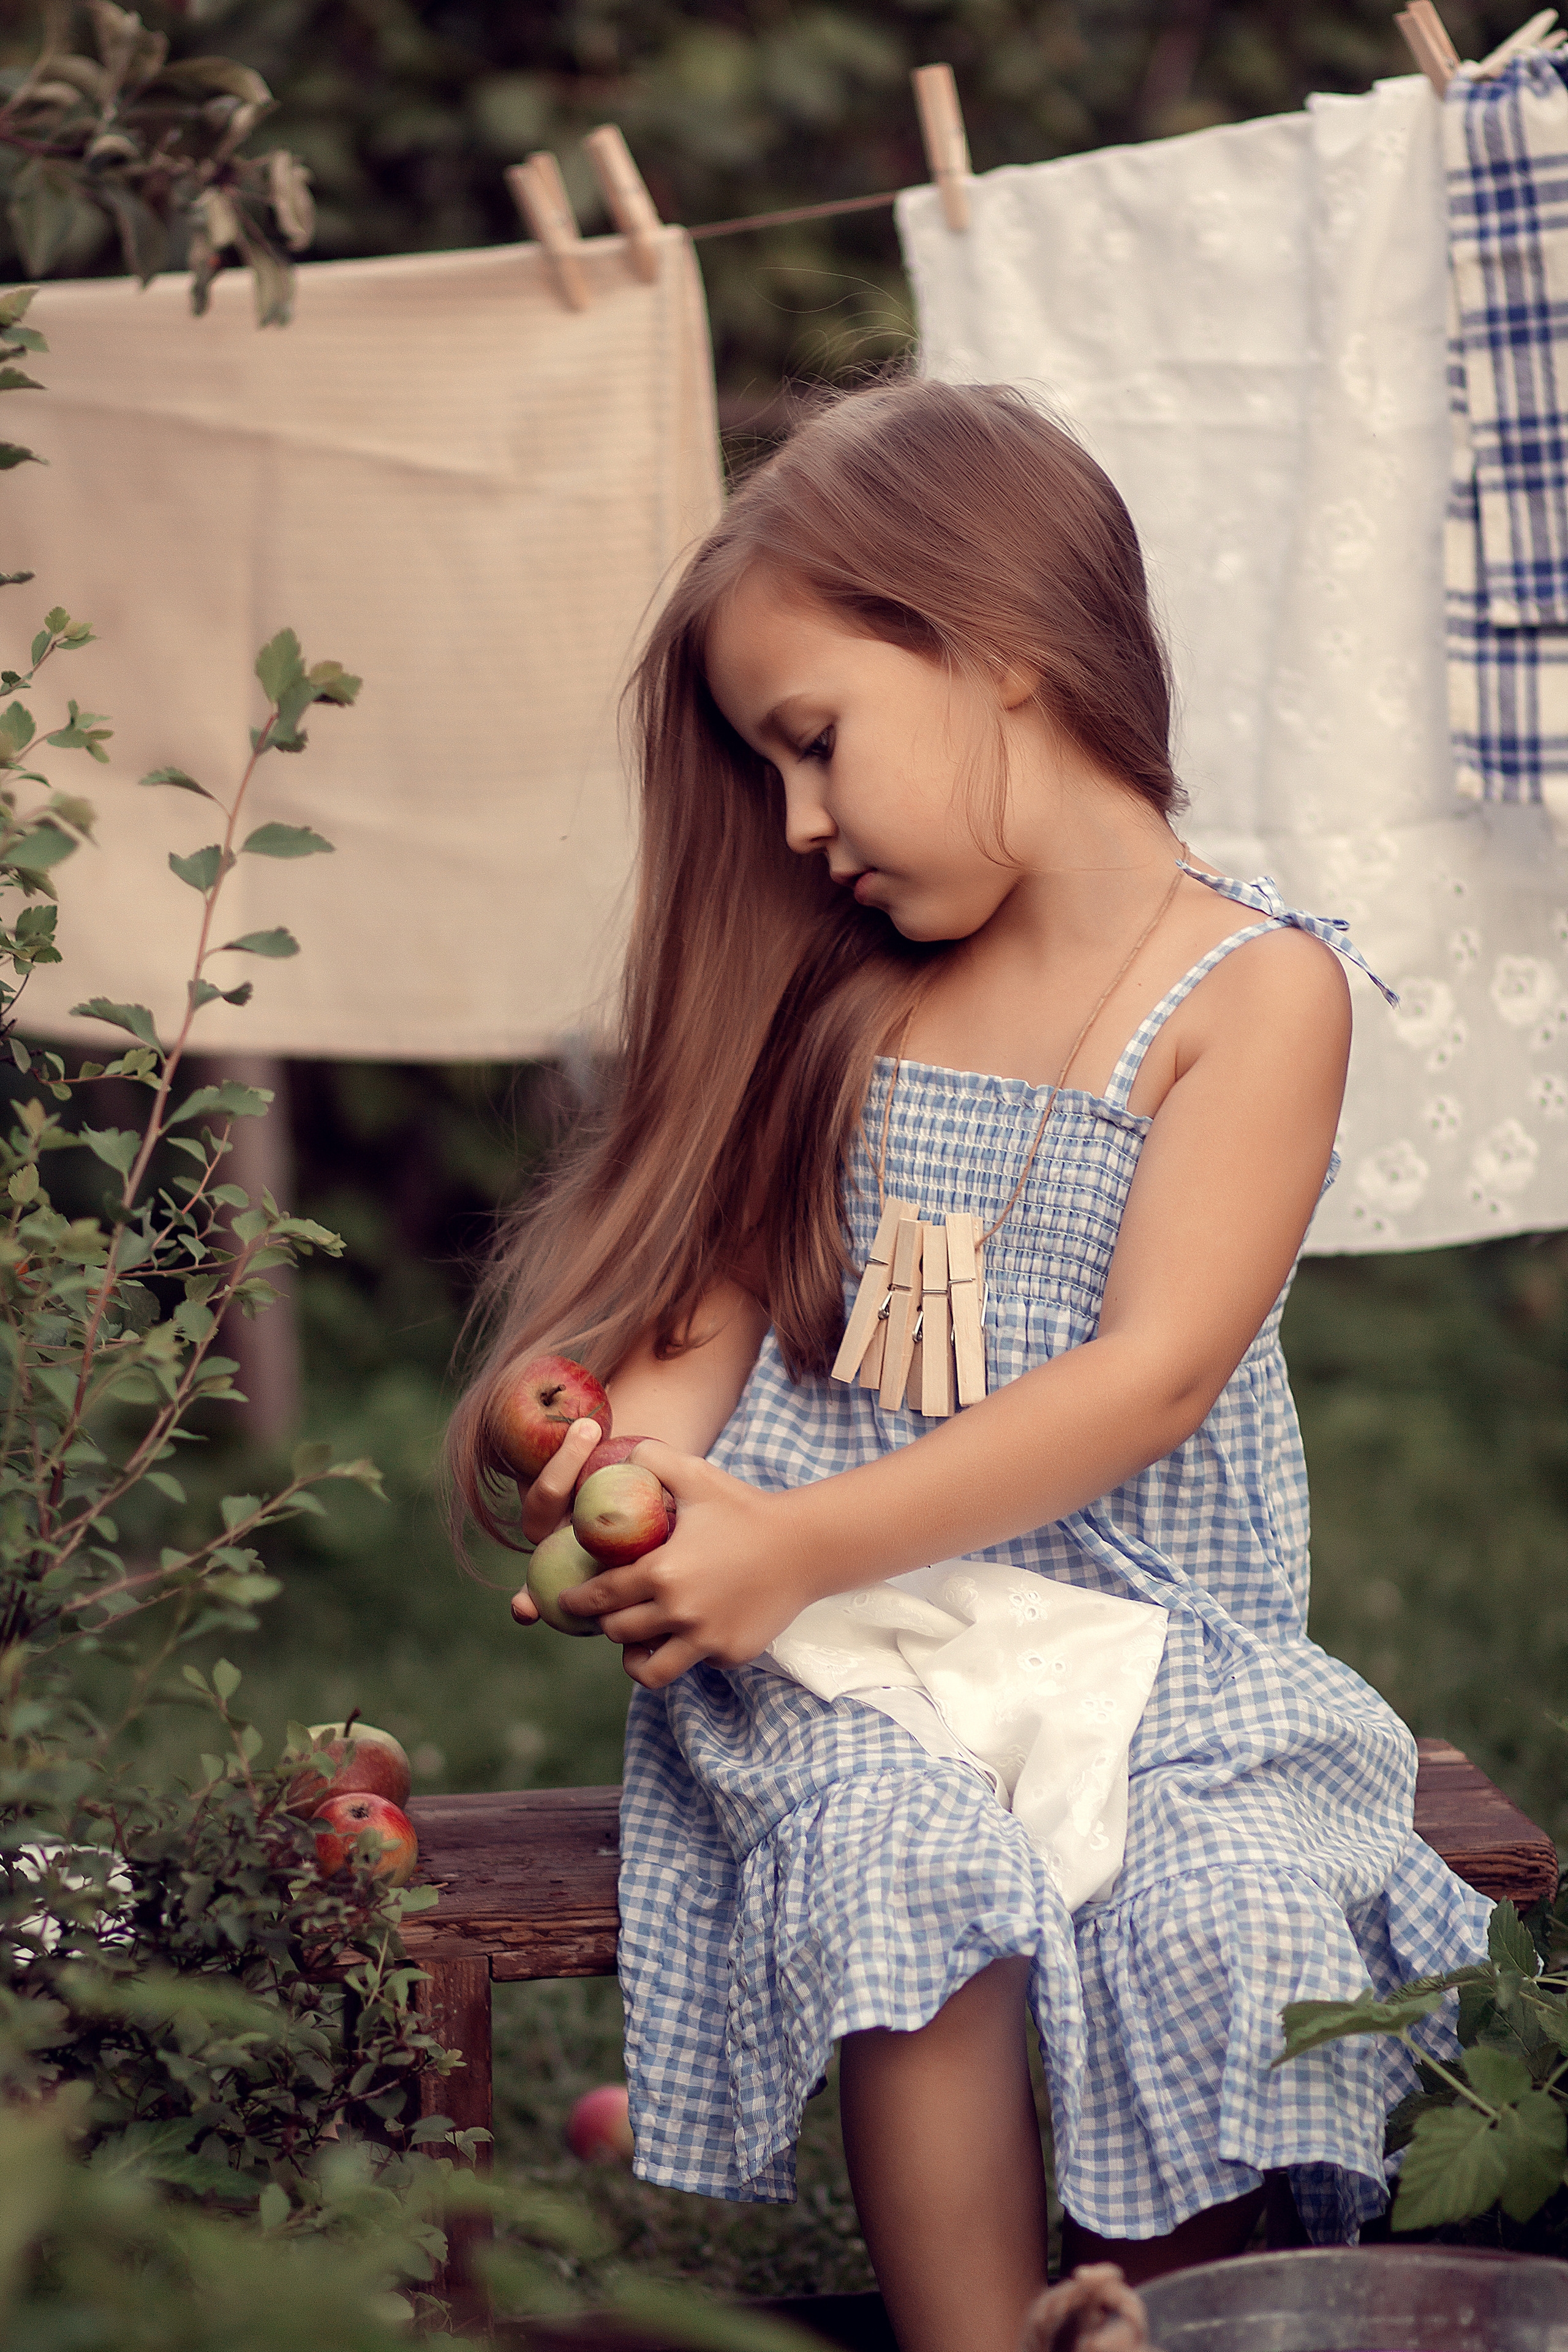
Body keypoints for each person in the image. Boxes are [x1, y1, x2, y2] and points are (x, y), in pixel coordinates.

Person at [447, 380, 1492, 2352]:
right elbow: (696, 1324)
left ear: (995, 647)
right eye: (772, 774)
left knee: (1223, 1904)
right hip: (853, 1666)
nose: (800, 823)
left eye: (816, 745)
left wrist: (801, 1533)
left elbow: (1151, 1379)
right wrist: (620, 1470)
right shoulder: (842, 995)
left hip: (1151, 1651)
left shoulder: (1251, 996)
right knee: (902, 1863)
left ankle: (1145, 2328)